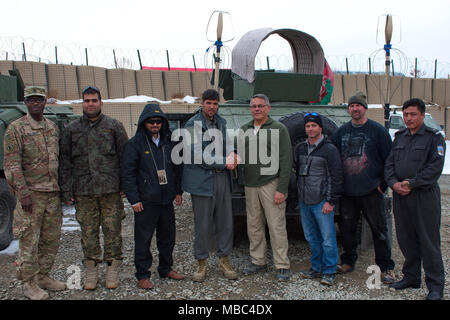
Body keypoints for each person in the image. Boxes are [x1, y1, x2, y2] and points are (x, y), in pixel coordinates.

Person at [59, 85, 129, 290]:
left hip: (110, 190)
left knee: (113, 232)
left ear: (101, 102)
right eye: (87, 100)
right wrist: (66, 190)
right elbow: (65, 161)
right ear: (82, 103)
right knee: (88, 233)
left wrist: (125, 185)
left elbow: (125, 158)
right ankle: (91, 269)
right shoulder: (71, 129)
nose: (90, 104)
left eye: (94, 100)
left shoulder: (114, 126)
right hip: (84, 191)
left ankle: (112, 268)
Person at [3, 86, 66, 300]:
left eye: (40, 99)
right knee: (29, 240)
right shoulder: (16, 128)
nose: (36, 103)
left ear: (45, 101)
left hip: (52, 193)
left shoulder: (51, 127)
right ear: (26, 102)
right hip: (31, 195)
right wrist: (23, 194)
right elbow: (12, 165)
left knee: (51, 239)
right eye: (32, 100)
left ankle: (43, 276)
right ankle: (29, 284)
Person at [331, 91, 395, 283]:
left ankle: (386, 268)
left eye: (358, 105)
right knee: (347, 229)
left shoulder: (378, 131)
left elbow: (389, 160)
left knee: (379, 231)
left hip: (371, 191)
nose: (355, 108)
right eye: (351, 106)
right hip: (348, 192)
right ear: (348, 109)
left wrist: (383, 185)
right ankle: (348, 261)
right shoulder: (341, 132)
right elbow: (334, 160)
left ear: (364, 108)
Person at [385, 98, 445, 300]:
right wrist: (394, 184)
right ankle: (411, 277)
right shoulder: (399, 137)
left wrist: (411, 184)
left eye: (413, 114)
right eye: (406, 114)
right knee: (406, 239)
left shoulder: (433, 138)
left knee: (428, 241)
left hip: (423, 196)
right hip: (401, 196)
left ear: (421, 115)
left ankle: (435, 286)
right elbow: (389, 164)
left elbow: (434, 169)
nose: (408, 118)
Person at [121, 103, 185, 289]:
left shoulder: (169, 143)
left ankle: (166, 268)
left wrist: (178, 191)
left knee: (168, 237)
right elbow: (128, 173)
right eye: (151, 122)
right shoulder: (134, 144)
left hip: (166, 200)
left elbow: (177, 169)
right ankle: (142, 274)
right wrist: (134, 199)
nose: (155, 125)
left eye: (158, 121)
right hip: (146, 201)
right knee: (143, 239)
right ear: (144, 122)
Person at [181, 89, 239, 282]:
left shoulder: (220, 122)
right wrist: (225, 161)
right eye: (209, 103)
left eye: (215, 103)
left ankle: (224, 259)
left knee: (225, 222)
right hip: (202, 180)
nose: (212, 107)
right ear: (202, 103)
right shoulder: (192, 125)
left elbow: (228, 143)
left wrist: (233, 154)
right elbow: (197, 155)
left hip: (222, 178)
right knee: (203, 224)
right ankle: (201, 262)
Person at [238, 93, 292, 281]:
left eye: (261, 106)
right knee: (254, 225)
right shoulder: (244, 129)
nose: (257, 109)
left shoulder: (279, 129)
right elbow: (240, 154)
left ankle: (282, 264)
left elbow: (286, 160)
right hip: (250, 184)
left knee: (276, 224)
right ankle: (258, 261)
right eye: (254, 106)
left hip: (271, 183)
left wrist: (282, 188)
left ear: (268, 108)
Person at [294, 112, 343, 286]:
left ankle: (329, 270)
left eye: (314, 125)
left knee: (328, 239)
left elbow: (336, 176)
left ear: (320, 128)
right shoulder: (300, 148)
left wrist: (330, 201)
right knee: (311, 237)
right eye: (308, 126)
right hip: (305, 201)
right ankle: (316, 267)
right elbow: (297, 172)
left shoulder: (329, 149)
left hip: (322, 201)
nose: (310, 128)